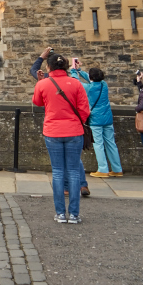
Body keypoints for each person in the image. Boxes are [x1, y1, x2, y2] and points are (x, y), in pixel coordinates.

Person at [33, 52, 90, 224]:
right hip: (73, 131)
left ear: (49, 67)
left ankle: (60, 213)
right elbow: (84, 109)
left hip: (53, 132)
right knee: (73, 172)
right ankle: (74, 214)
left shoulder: (43, 84)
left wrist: (40, 82)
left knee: (57, 172)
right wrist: (76, 123)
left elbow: (37, 102)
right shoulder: (76, 83)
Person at [86, 67, 123, 178]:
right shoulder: (104, 85)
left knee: (98, 144)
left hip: (95, 120)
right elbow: (91, 79)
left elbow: (76, 81)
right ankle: (117, 169)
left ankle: (103, 169)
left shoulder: (89, 88)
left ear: (91, 77)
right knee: (111, 143)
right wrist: (80, 71)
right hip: (107, 118)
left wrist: (74, 71)